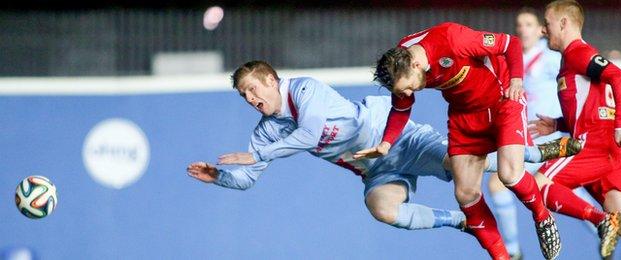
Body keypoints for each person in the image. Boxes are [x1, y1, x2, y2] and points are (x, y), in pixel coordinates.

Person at [185, 61, 573, 248]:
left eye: (255, 89)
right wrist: (219, 176)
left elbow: (311, 133)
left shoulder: (303, 90)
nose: (253, 100)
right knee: (383, 209)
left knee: (461, 166)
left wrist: (259, 155)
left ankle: (539, 151)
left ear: (272, 80)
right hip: (376, 168)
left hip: (398, 139)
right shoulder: (267, 131)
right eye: (245, 97)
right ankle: (460, 222)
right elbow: (249, 178)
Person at [364, 22, 563, 259]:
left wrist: (517, 81)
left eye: (408, 88)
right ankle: (502, 257)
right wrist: (386, 143)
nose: (408, 94)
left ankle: (542, 217)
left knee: (509, 175)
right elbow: (400, 109)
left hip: (502, 99)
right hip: (464, 115)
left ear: (416, 64)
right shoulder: (401, 61)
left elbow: (510, 43)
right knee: (465, 195)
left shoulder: (453, 39)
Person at [485, 7, 596, 259]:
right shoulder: (513, 62)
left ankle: (513, 251)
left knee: (541, 186)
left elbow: (584, 68)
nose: (522, 30)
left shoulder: (551, 58)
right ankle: (513, 251)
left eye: (528, 24)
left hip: (551, 139)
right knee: (501, 184)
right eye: (519, 25)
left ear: (540, 30)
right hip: (526, 138)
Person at [530, 0, 621, 258]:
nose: (542, 30)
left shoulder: (576, 53)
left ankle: (600, 220)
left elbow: (618, 76)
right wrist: (558, 124)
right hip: (608, 150)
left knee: (537, 185)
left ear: (564, 23)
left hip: (594, 144)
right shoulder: (572, 60)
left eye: (547, 24)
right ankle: (608, 220)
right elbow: (593, 106)